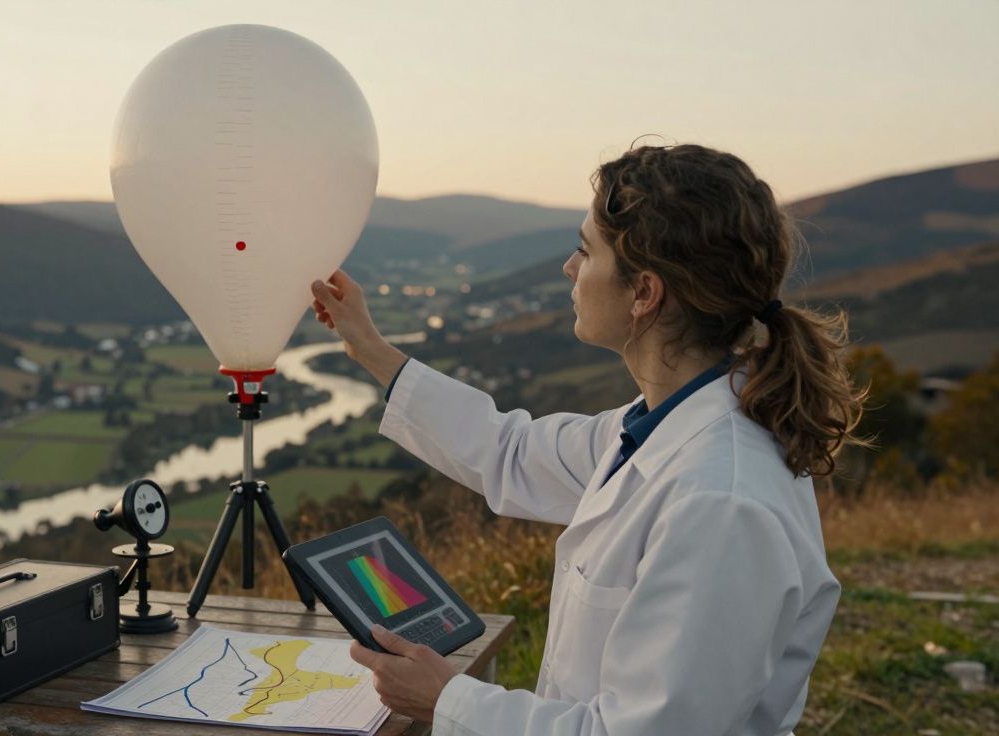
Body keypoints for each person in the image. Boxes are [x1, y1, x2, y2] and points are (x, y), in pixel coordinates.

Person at [307, 143, 863, 736]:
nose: (570, 269)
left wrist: (448, 700)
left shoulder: (719, 503)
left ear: (644, 293)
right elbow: (509, 451)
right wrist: (366, 345)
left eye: (585, 250)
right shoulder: (652, 430)